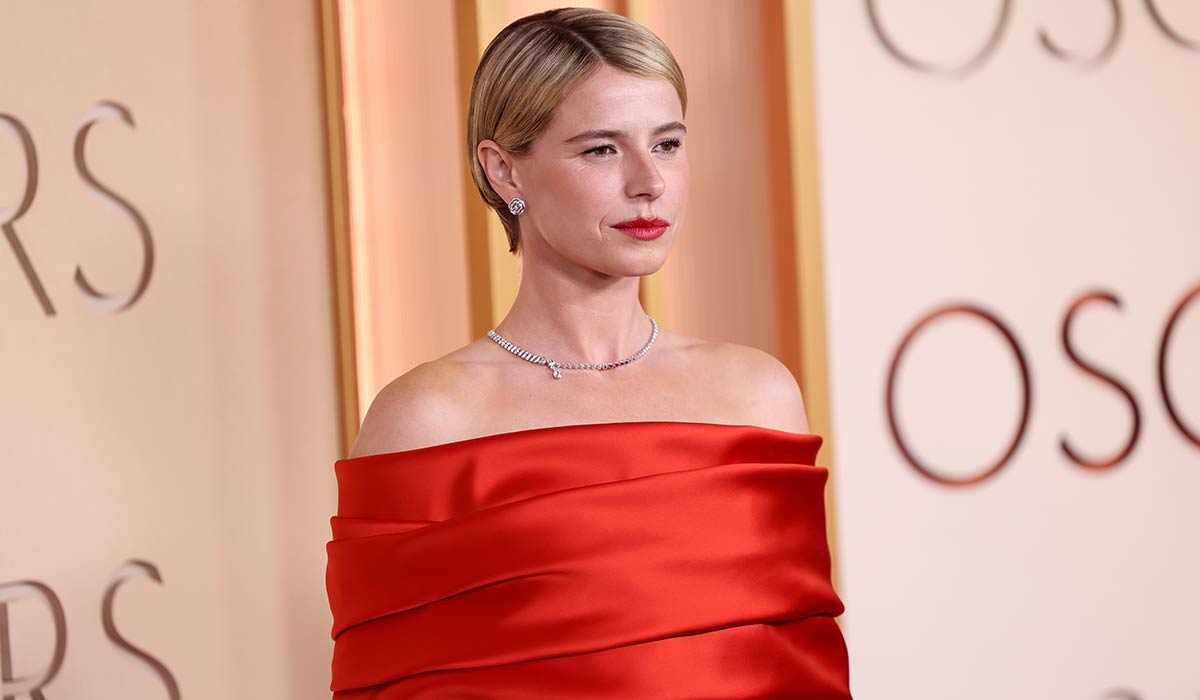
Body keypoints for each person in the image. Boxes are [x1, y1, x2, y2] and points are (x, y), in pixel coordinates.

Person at [325, 7, 851, 698]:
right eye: (602, 149)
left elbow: (802, 671)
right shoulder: (428, 419)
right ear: (504, 172)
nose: (648, 181)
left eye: (667, 143)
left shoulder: (756, 394)